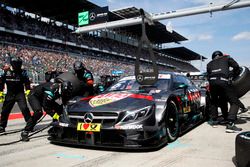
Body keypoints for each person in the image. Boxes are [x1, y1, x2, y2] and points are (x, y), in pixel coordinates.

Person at [207, 51, 248, 133]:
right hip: (223, 81)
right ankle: (230, 124)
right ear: (221, 55)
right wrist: (231, 75)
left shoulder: (209, 64)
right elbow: (236, 66)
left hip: (212, 83)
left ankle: (214, 120)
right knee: (235, 102)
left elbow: (208, 76)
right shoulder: (226, 58)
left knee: (214, 101)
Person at [0, 57, 31, 133]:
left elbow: (27, 82)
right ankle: (2, 126)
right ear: (13, 64)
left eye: (19, 64)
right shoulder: (6, 71)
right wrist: (0, 92)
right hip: (10, 94)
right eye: (17, 64)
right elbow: (1, 82)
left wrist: (28, 91)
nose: (18, 66)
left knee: (24, 109)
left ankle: (30, 125)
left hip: (20, 94)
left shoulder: (23, 72)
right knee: (5, 110)